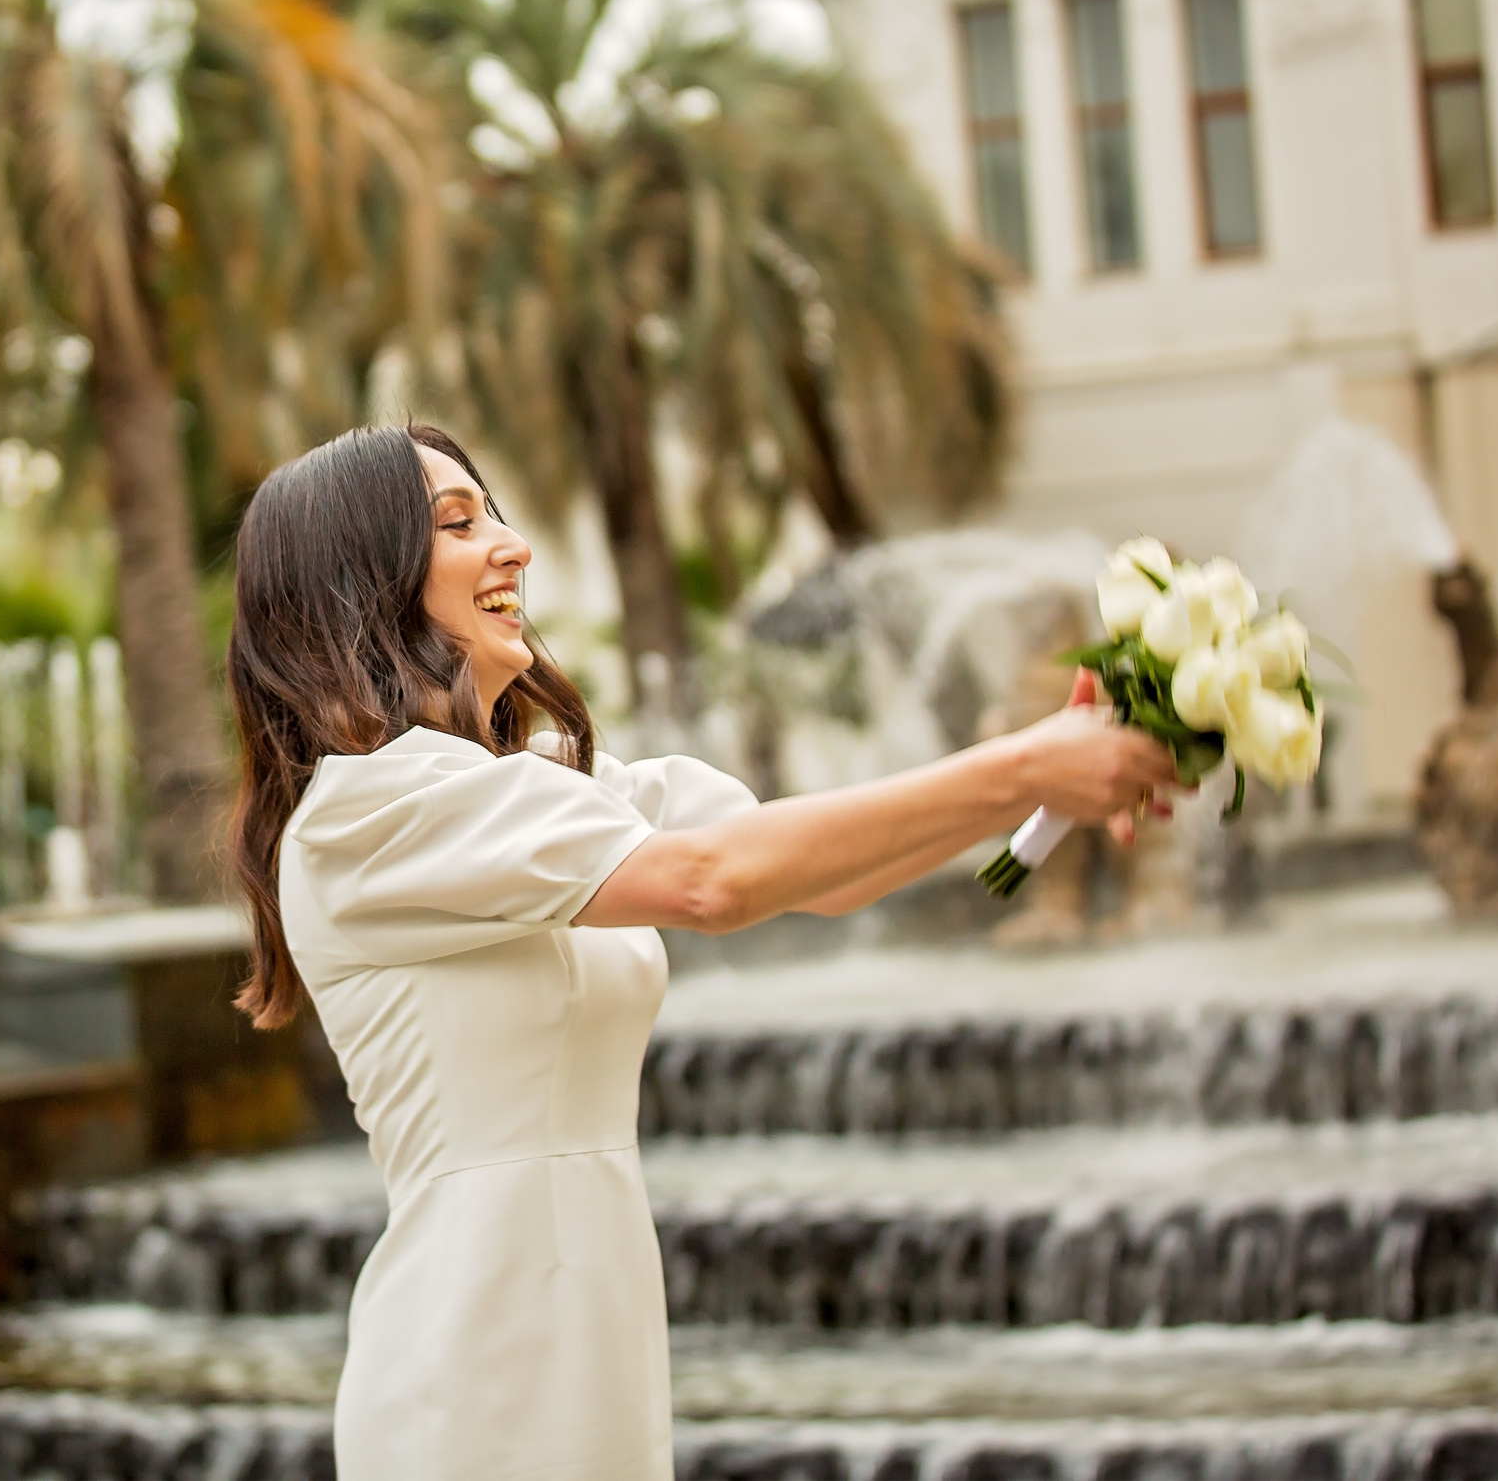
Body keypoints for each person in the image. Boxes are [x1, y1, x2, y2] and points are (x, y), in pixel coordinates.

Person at [225, 424, 1180, 1481]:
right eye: (458, 525)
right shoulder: (374, 810)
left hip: (594, 1344)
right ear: (361, 583)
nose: (512, 546)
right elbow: (706, 883)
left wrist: (1044, 772)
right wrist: (1021, 769)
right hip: (473, 1367)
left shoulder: (540, 786)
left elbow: (817, 869)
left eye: (493, 510)